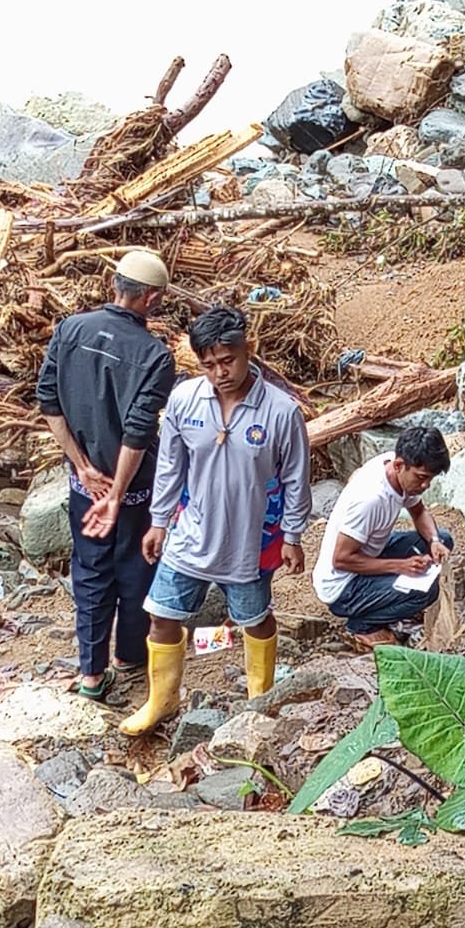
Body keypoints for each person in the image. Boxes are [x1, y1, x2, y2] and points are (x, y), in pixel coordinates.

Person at [121, 306, 311, 736]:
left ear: (249, 350)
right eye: (208, 364)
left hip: (250, 538)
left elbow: (297, 477)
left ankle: (259, 700)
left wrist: (293, 535)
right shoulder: (185, 400)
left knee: (254, 618)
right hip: (191, 532)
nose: (220, 373)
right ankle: (161, 700)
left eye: (228, 361)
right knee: (162, 616)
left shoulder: (281, 411)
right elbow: (170, 466)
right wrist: (158, 521)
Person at [34, 250, 176, 700]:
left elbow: (48, 400)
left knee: (91, 571)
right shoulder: (155, 356)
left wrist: (82, 467)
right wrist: (117, 493)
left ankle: (91, 675)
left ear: (115, 284)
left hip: (85, 485)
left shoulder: (70, 329)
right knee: (137, 567)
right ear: (151, 298)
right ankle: (129, 657)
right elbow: (138, 431)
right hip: (134, 489)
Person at [312, 424, 454, 647]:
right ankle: (362, 625)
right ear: (399, 465)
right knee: (426, 592)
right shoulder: (371, 500)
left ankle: (391, 600)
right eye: (421, 477)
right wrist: (400, 566)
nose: (425, 485)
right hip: (343, 587)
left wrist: (434, 542)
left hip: (371, 552)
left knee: (443, 539)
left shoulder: (397, 469)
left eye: (430, 479)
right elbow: (341, 559)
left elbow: (418, 512)